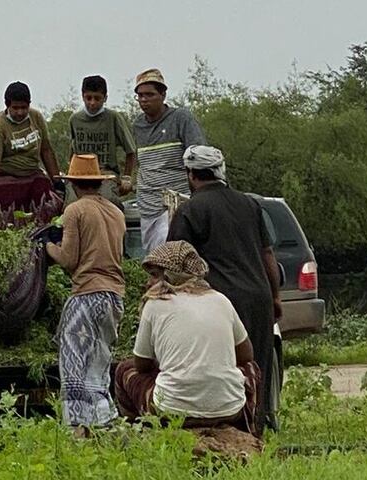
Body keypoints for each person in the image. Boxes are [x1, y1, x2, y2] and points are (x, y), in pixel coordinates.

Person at [167, 145, 282, 434]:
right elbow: (267, 254)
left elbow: (175, 261)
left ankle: (228, 432)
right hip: (258, 298)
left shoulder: (189, 210)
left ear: (191, 174)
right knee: (256, 366)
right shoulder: (250, 204)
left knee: (225, 367)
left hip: (218, 302)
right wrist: (275, 296)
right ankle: (257, 427)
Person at [114, 241, 261, 436]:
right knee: (251, 369)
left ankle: (139, 433)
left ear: (169, 276)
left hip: (171, 411)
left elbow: (141, 365)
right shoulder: (221, 300)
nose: (148, 282)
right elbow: (246, 355)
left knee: (125, 369)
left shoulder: (155, 304)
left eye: (154, 275)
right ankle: (247, 429)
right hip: (229, 410)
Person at [45, 153, 126, 438]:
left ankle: (76, 429)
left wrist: (47, 246)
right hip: (114, 296)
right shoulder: (117, 213)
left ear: (73, 184)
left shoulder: (75, 210)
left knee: (73, 363)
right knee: (99, 364)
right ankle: (103, 423)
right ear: (98, 183)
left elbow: (69, 259)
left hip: (86, 294)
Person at [132, 68, 206, 255]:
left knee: (171, 253)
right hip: (147, 203)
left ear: (163, 95)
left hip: (175, 201)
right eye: (140, 95)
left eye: (149, 95)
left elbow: (198, 156)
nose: (144, 100)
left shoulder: (180, 118)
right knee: (154, 257)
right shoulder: (138, 125)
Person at [0, 81, 63, 214]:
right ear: (7, 105)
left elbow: (46, 150)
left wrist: (56, 180)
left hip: (33, 173)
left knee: (49, 202)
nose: (20, 112)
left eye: (24, 107)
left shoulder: (36, 117)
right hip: (8, 177)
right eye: (15, 108)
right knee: (4, 206)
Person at [65, 75, 137, 210]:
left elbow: (131, 150)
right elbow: (73, 150)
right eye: (88, 98)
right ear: (82, 97)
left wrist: (126, 178)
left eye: (97, 98)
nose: (92, 103)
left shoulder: (113, 118)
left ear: (105, 98)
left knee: (109, 202)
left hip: (105, 173)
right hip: (80, 174)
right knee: (71, 206)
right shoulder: (75, 119)